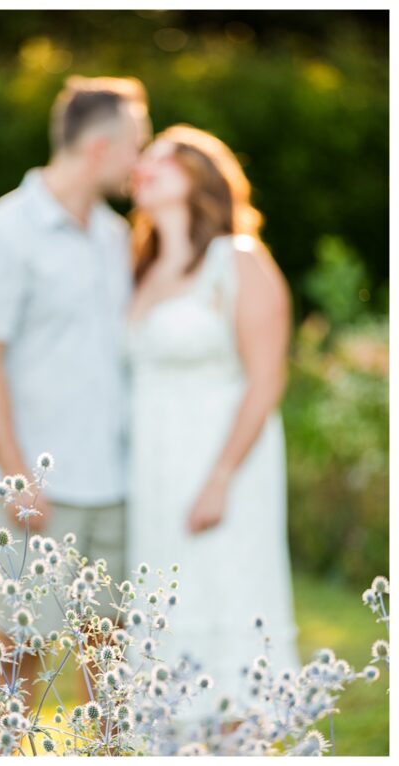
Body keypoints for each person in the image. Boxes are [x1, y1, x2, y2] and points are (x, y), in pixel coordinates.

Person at [0, 76, 150, 684]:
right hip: (37, 486)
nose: (139, 162)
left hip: (113, 482)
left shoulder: (118, 238)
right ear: (99, 148)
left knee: (108, 658)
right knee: (20, 655)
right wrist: (16, 476)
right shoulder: (1, 233)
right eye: (135, 146)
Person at [126, 124, 300, 716]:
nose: (140, 170)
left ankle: (235, 733)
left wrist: (221, 475)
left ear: (197, 179)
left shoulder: (238, 260)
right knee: (164, 600)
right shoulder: (141, 265)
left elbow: (266, 376)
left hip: (221, 458)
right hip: (153, 465)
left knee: (223, 591)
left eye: (159, 161)